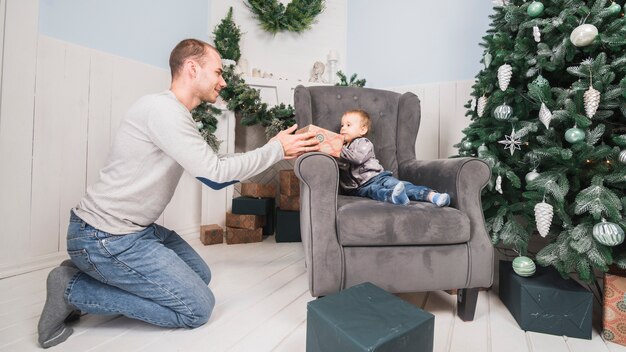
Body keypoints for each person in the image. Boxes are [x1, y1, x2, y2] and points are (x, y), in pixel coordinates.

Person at [36, 38, 320, 348]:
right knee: (197, 309)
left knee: (200, 275)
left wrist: (274, 149)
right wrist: (276, 149)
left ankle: (94, 271)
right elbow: (215, 175)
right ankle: (71, 287)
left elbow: (213, 169)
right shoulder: (162, 111)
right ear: (192, 68)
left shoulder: (173, 114)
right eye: (217, 72)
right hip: (105, 237)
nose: (222, 82)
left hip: (133, 232)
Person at [337, 109, 450, 207]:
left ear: (362, 130)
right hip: (360, 188)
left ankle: (433, 196)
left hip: (378, 177)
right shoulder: (342, 148)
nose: (343, 128)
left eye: (348, 125)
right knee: (376, 192)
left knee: (402, 186)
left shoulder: (363, 142)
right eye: (342, 125)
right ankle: (395, 197)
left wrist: (337, 149)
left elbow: (357, 158)